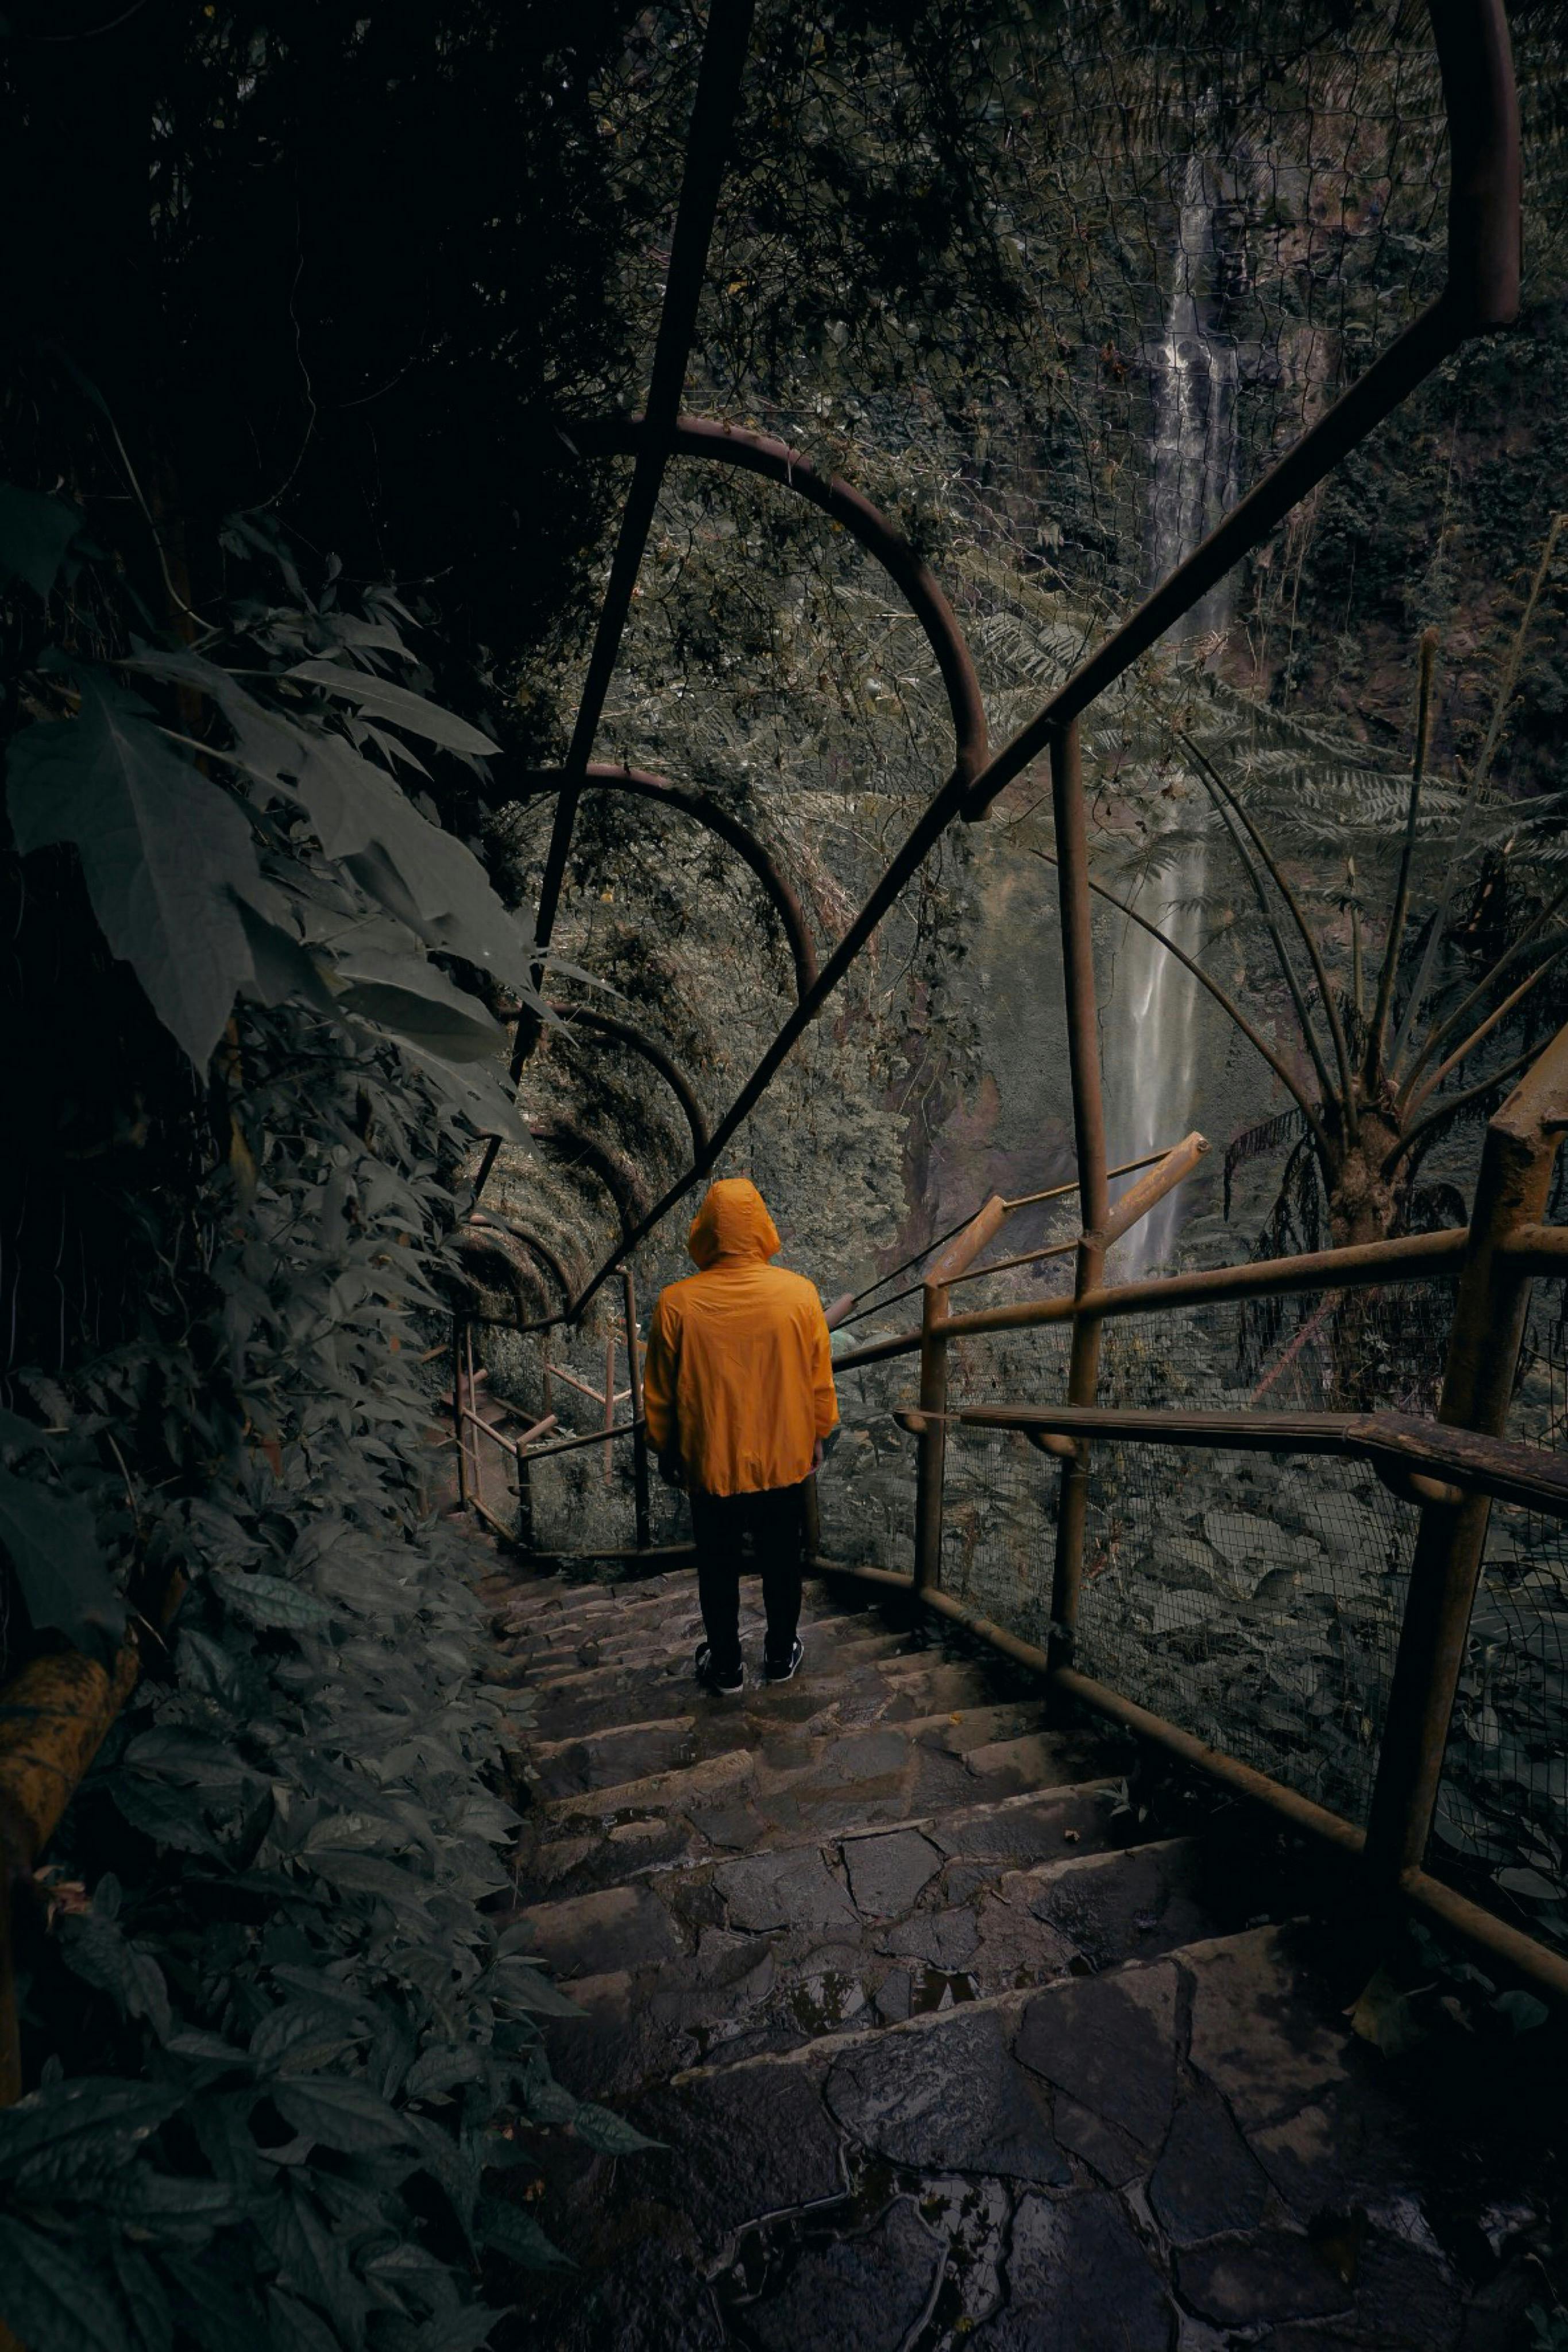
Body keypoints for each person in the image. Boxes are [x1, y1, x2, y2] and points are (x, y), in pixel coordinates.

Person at [642, 1177, 838, 1696]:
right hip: (783, 1457)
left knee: (717, 1564)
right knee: (782, 1559)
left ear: (707, 1230)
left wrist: (666, 1448)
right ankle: (780, 1654)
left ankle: (727, 1665)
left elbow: (659, 1393)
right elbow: (818, 1379)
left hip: (711, 1460)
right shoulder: (800, 1295)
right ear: (760, 1228)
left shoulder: (676, 1304)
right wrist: (818, 1433)